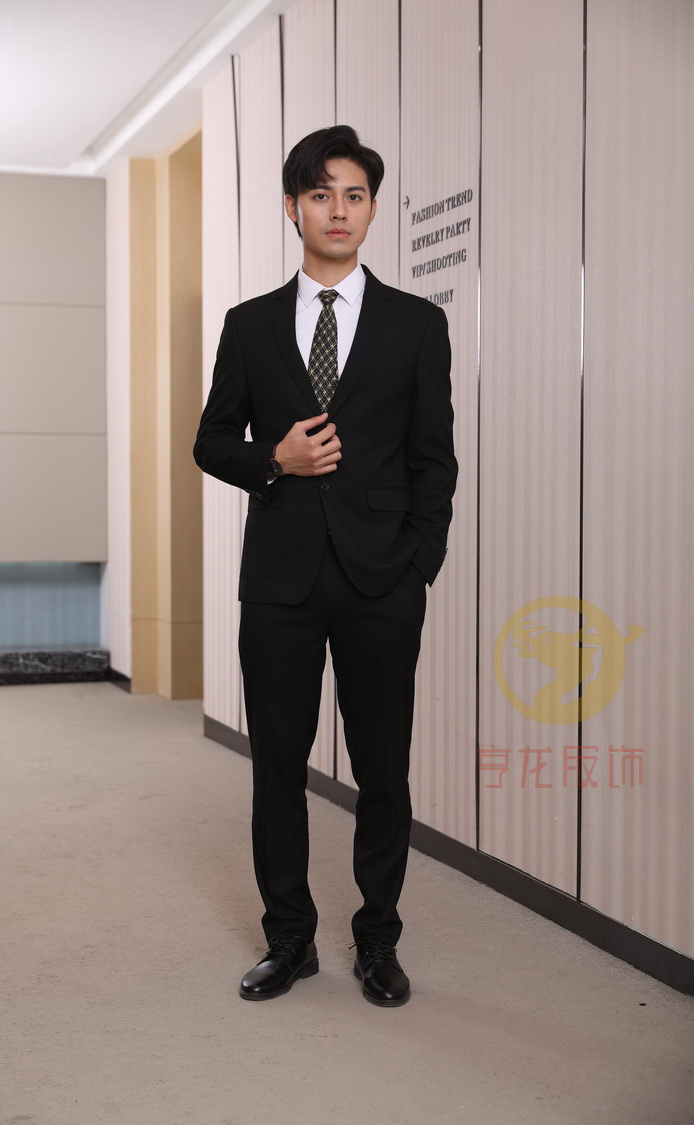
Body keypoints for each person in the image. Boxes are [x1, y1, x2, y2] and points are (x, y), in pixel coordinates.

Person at [193, 125, 457, 1007]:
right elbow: (210, 441)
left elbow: (434, 459)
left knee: (384, 769)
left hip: (384, 580)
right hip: (281, 582)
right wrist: (275, 460)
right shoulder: (250, 325)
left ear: (372, 209)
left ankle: (377, 941)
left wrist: (420, 564)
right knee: (277, 765)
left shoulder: (418, 324)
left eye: (353, 195)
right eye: (320, 194)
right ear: (293, 207)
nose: (337, 210)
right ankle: (290, 939)